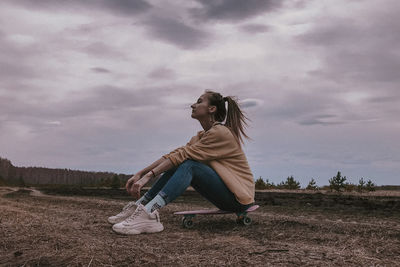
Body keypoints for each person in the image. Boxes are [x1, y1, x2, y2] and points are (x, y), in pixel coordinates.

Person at [108, 90, 255, 235]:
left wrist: (148, 177)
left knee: (189, 165)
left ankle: (149, 213)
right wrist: (140, 174)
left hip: (239, 199)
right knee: (179, 162)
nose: (192, 105)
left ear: (212, 109)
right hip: (226, 195)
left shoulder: (221, 133)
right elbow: (174, 155)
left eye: (199, 102)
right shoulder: (201, 136)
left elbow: (183, 156)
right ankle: (141, 206)